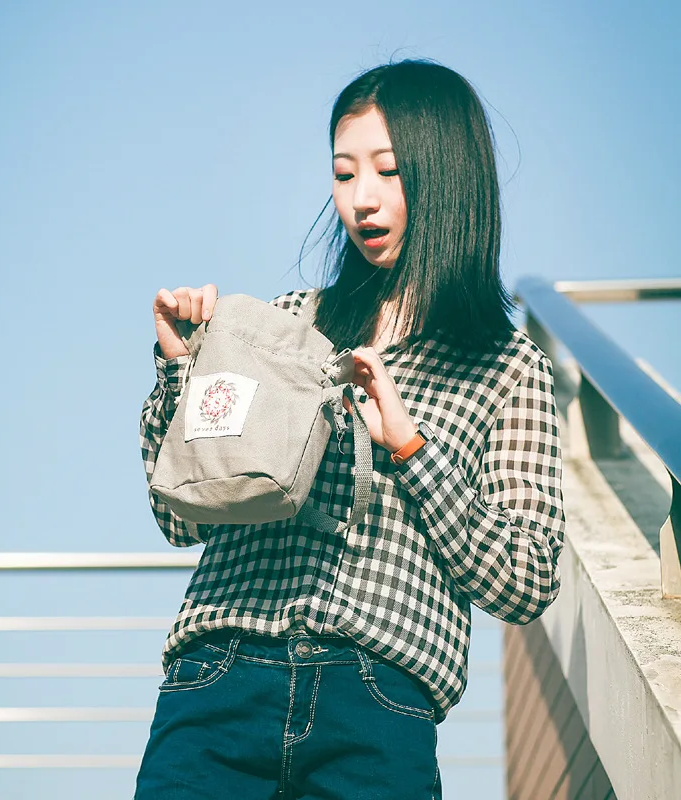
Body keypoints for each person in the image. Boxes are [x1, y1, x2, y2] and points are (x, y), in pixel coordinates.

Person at [134, 58, 565, 799]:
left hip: (379, 705)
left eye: (389, 171)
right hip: (220, 675)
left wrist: (411, 449)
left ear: (449, 177)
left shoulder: (508, 367)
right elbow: (179, 518)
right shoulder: (286, 322)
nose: (362, 198)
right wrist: (182, 372)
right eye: (344, 173)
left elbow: (527, 580)